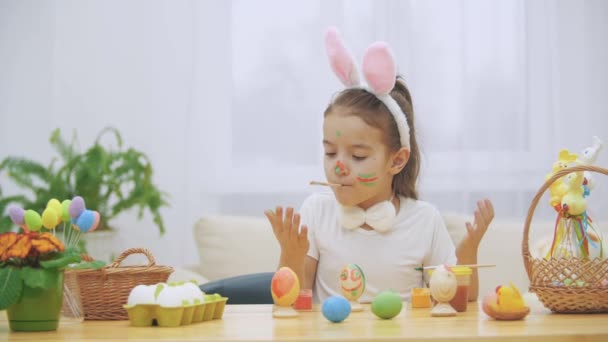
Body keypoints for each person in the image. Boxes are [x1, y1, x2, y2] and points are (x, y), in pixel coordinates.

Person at [264, 27, 494, 304]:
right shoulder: (317, 213)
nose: (339, 167)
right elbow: (289, 305)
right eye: (330, 152)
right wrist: (291, 253)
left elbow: (460, 303)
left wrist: (468, 254)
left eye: (358, 156)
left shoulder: (424, 220)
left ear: (397, 160)